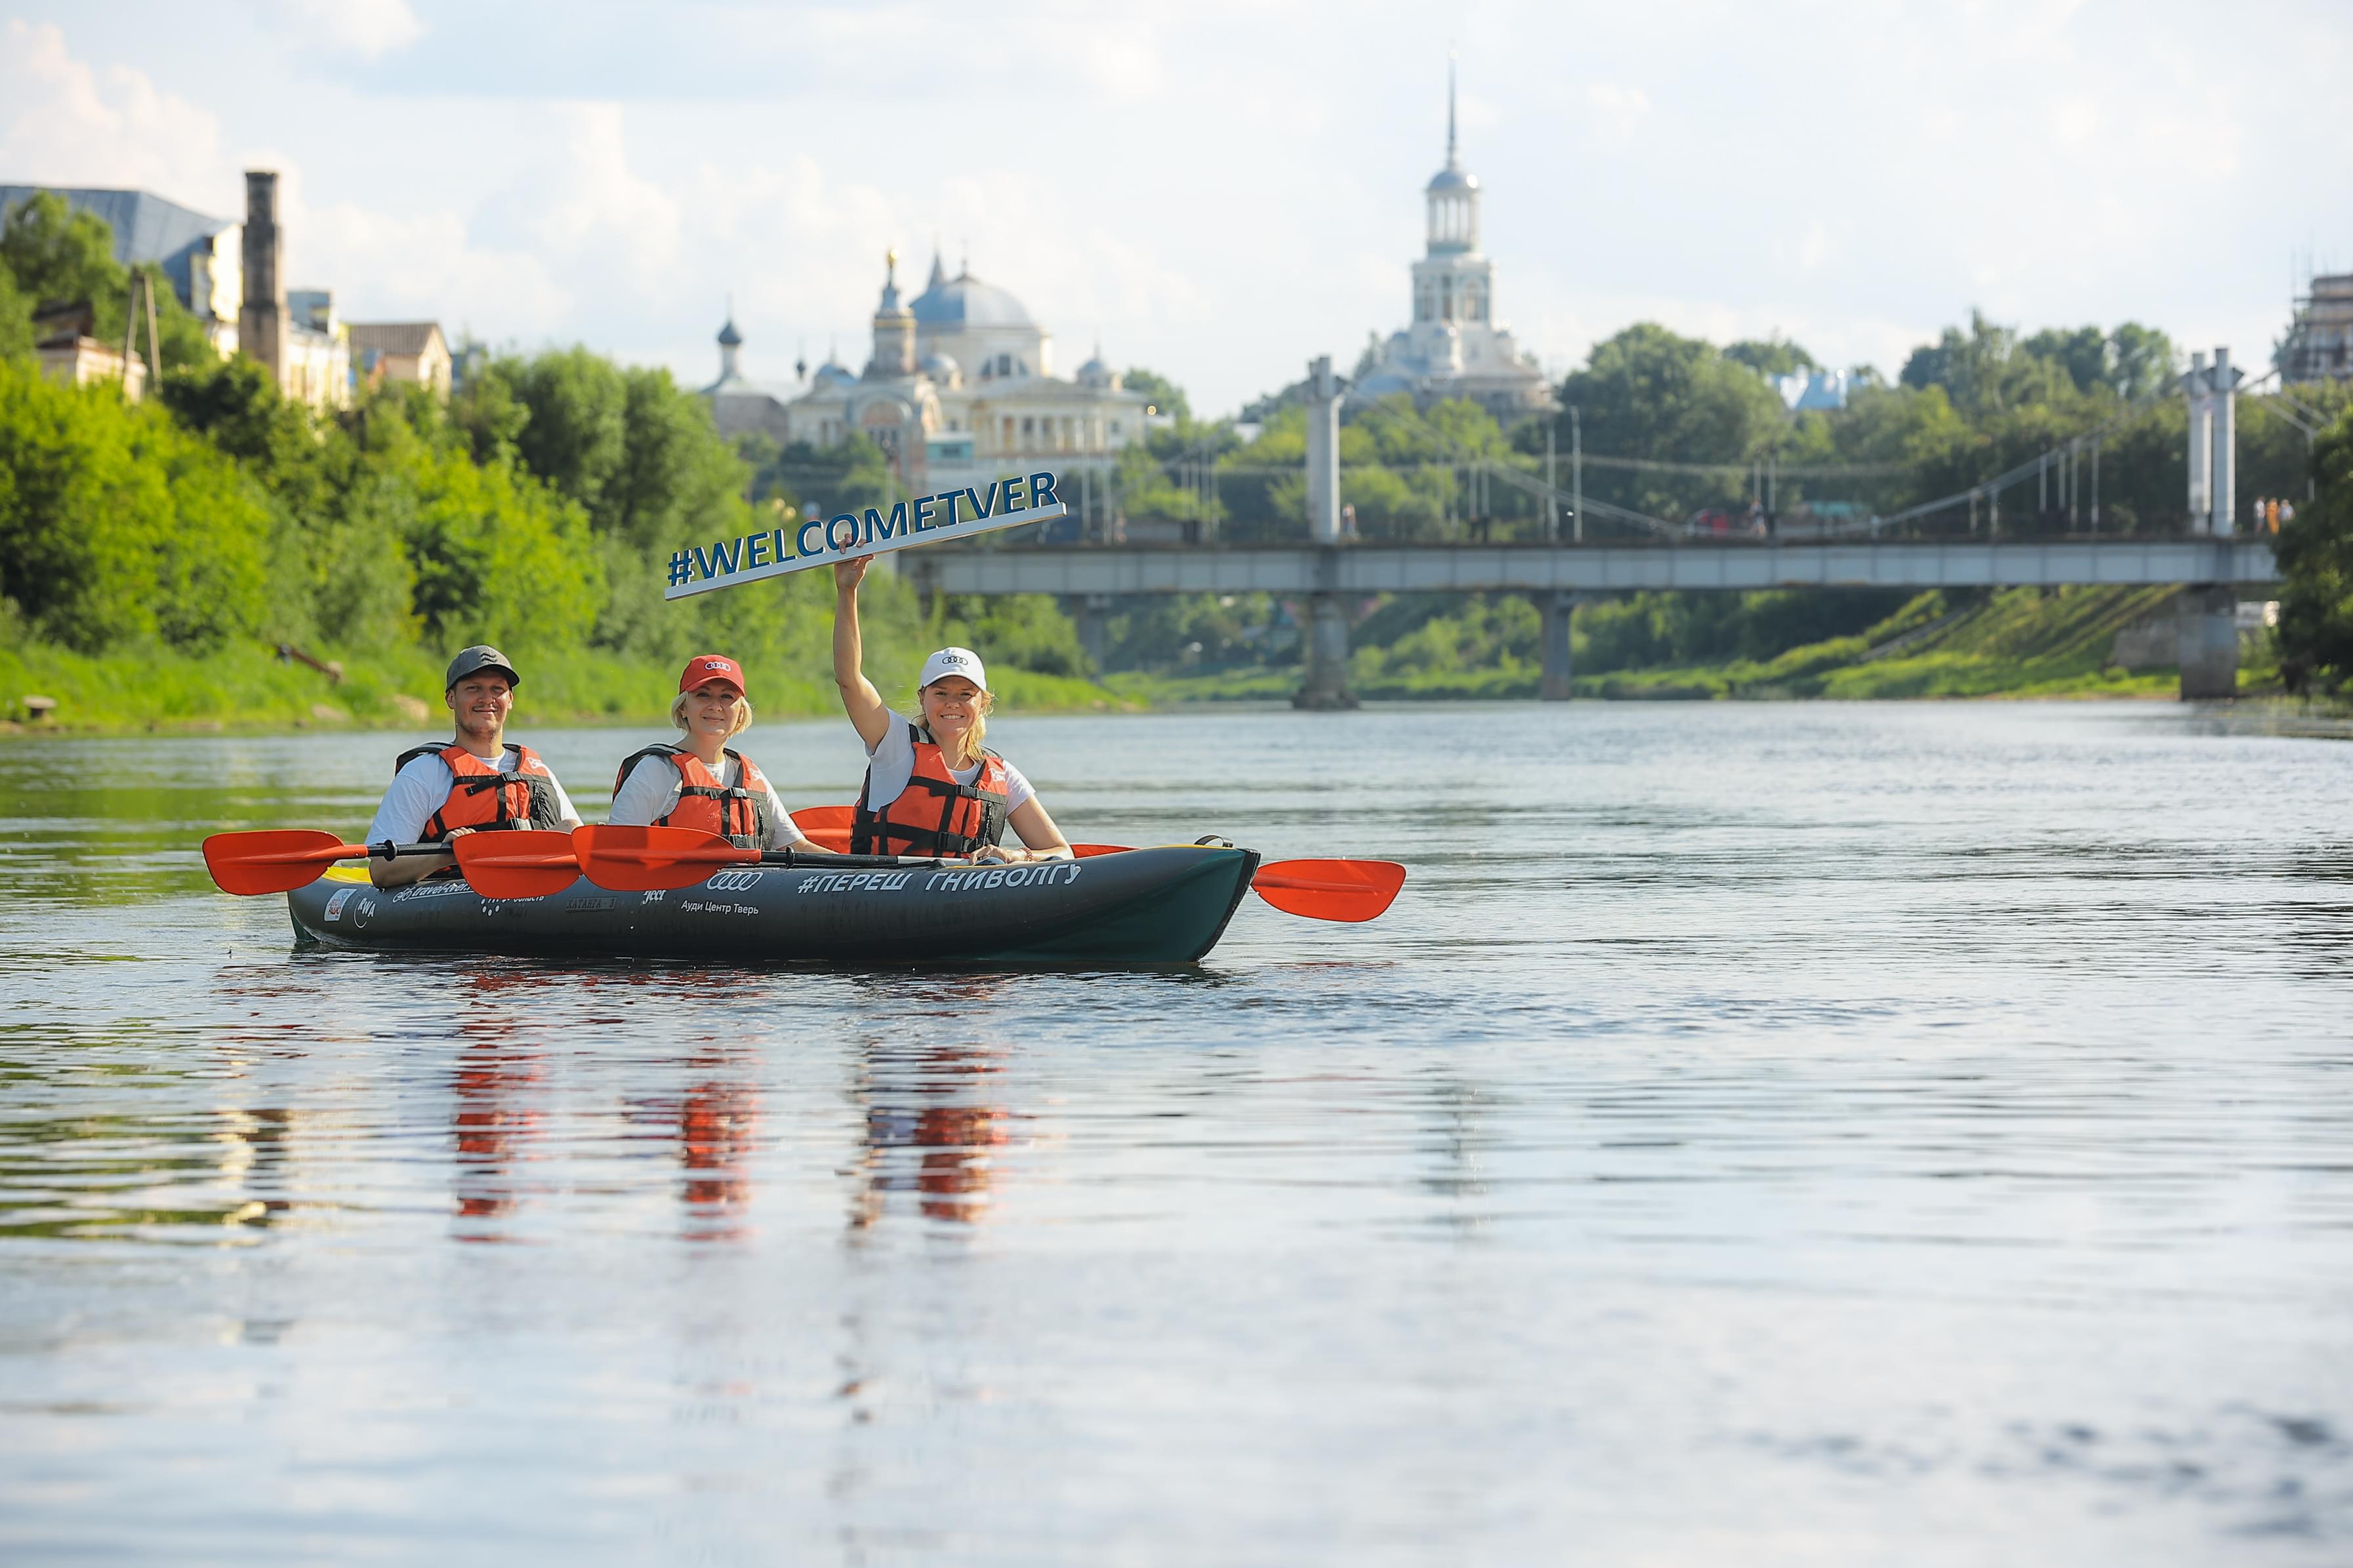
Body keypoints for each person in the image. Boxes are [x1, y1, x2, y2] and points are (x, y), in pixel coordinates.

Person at [830, 555, 1072, 863]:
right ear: (923, 698)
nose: (952, 704)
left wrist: (1016, 856)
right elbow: (849, 679)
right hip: (889, 892)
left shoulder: (1003, 775)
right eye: (941, 693)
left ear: (982, 703)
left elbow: (1062, 852)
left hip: (966, 896)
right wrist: (847, 592)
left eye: (965, 694)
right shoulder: (894, 745)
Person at [366, 645, 583, 889]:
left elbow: (580, 852)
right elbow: (381, 871)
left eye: (497, 690)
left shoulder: (537, 771)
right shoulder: (423, 773)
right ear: (451, 698)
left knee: (572, 828)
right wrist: (446, 854)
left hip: (536, 892)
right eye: (473, 689)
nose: (487, 699)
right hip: (453, 899)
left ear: (510, 700)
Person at [609, 653, 821, 854]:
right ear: (683, 707)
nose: (715, 706)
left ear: (741, 712)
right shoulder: (656, 770)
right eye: (703, 695)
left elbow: (794, 845)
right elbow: (617, 850)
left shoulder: (751, 774)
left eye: (727, 697)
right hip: (672, 889)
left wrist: (851, 871)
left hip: (743, 886)